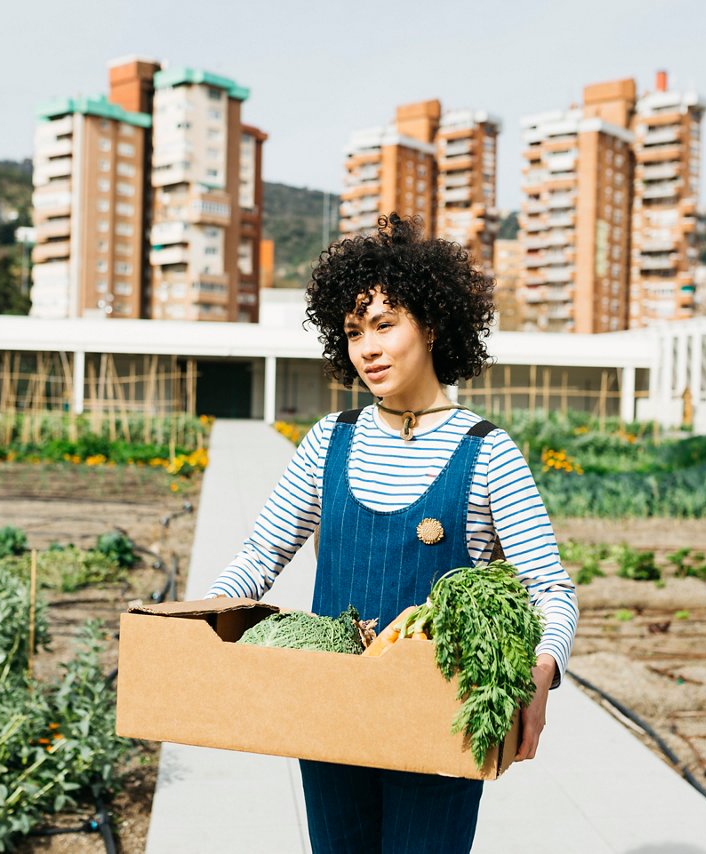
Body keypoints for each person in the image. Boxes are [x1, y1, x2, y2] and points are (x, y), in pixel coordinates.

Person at [205, 213, 578, 853]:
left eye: (385, 324)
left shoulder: (486, 454)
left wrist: (541, 676)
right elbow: (262, 554)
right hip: (331, 720)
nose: (368, 349)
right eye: (353, 332)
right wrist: (200, 623)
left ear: (431, 324)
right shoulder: (329, 442)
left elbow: (550, 589)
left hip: (440, 721)